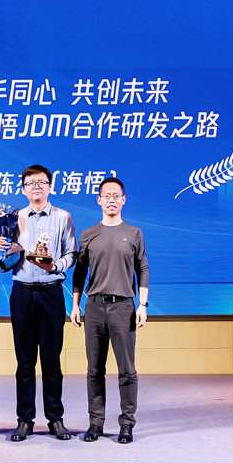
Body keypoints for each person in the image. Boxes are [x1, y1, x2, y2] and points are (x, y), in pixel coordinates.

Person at [0, 165, 77, 442]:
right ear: (23, 188)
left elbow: (72, 252)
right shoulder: (13, 219)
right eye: (31, 183)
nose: (37, 187)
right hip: (22, 293)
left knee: (52, 361)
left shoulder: (63, 217)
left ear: (50, 186)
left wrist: (56, 265)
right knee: (24, 362)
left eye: (42, 182)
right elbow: (2, 256)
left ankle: (55, 419)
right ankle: (24, 420)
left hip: (51, 293)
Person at [71, 176, 148, 444]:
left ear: (123, 200)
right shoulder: (88, 234)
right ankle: (95, 423)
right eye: (107, 196)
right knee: (94, 370)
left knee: (127, 369)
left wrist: (143, 305)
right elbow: (80, 272)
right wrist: (75, 305)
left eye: (116, 196)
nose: (112, 200)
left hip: (123, 307)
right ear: (99, 200)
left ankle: (127, 424)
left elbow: (142, 268)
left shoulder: (134, 233)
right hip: (94, 307)